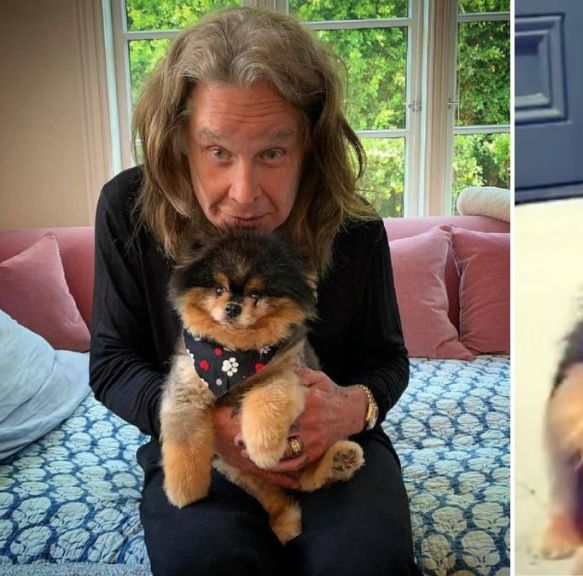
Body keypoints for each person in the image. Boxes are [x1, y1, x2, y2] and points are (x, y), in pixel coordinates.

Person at [89, 7, 419, 575]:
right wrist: (210, 425)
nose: (244, 194)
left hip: (332, 446)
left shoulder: (355, 227)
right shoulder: (127, 209)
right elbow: (112, 362)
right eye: (218, 152)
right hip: (195, 440)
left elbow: (387, 360)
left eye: (272, 152)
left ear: (309, 145)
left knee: (365, 562)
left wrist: (349, 410)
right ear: (181, 144)